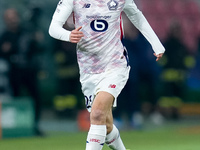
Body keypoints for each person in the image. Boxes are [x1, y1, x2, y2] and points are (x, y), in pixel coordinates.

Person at [49, 0, 165, 149]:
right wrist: (69, 35)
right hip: (88, 70)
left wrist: (156, 44)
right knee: (107, 125)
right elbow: (53, 28)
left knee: (97, 114)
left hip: (115, 65)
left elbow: (137, 16)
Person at [0, 8, 42, 136]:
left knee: (35, 98)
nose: (12, 20)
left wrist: (38, 40)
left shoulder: (27, 33)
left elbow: (39, 49)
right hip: (13, 72)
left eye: (14, 17)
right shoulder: (5, 36)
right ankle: (15, 126)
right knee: (14, 98)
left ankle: (35, 125)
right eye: (9, 18)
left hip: (29, 71)